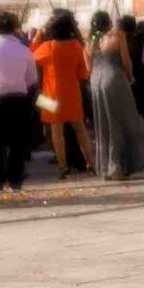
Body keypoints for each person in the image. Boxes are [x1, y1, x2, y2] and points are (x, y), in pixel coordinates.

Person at [0, 11, 38, 195]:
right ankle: (15, 181)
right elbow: (32, 78)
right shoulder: (24, 49)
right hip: (19, 98)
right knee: (17, 141)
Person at [89, 12, 144, 181]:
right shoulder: (117, 35)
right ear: (109, 22)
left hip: (96, 81)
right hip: (114, 78)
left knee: (103, 124)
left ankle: (105, 167)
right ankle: (116, 166)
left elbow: (88, 66)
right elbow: (126, 61)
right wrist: (130, 76)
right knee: (120, 121)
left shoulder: (90, 41)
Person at [31, 11, 93, 180]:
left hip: (50, 95)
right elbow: (83, 74)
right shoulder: (76, 46)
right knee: (81, 129)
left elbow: (31, 56)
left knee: (56, 133)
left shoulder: (48, 47)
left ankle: (62, 166)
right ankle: (90, 162)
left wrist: (38, 35)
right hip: (73, 93)